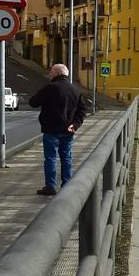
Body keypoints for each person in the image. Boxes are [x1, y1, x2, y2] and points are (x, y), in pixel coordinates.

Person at [28, 64, 88, 196]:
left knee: (51, 158)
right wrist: (75, 124)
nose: (49, 74)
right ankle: (66, 184)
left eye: (51, 73)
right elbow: (82, 110)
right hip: (68, 130)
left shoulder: (50, 88)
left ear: (55, 74)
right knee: (66, 157)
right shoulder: (76, 90)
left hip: (51, 129)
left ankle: (50, 186)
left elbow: (33, 102)